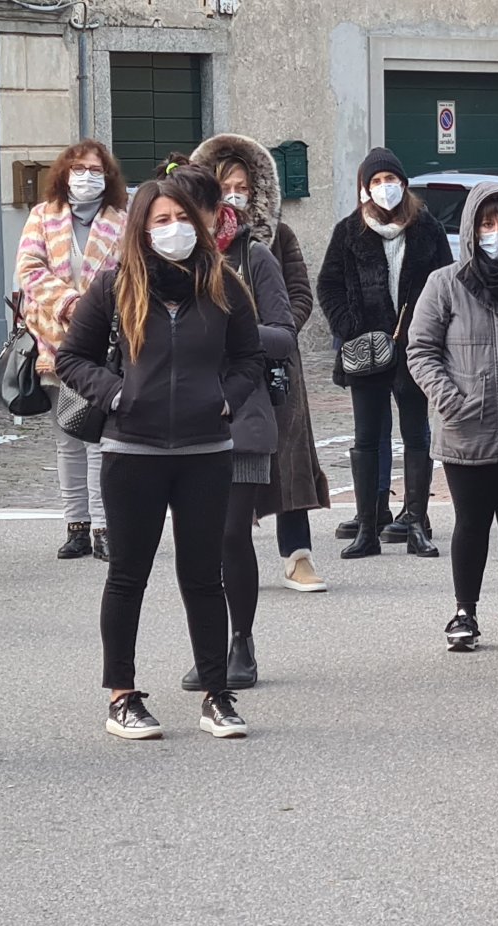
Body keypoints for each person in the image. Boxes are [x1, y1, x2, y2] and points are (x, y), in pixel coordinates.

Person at [53, 177, 267, 741]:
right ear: (142, 230)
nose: (172, 228)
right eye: (159, 219)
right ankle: (122, 696)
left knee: (203, 576)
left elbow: (250, 358)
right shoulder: (114, 285)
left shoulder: (224, 285)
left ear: (196, 225)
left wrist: (225, 399)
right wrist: (116, 393)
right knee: (127, 575)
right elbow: (72, 357)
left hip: (205, 451)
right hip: (132, 451)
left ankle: (216, 695)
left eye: (180, 217)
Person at [405, 181, 498, 652]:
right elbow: (420, 350)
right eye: (487, 224)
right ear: (472, 231)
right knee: (471, 522)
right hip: (466, 428)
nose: (496, 233)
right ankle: (463, 612)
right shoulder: (445, 283)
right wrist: (450, 399)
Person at [157, 159, 290, 691]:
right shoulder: (155, 267)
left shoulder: (252, 258)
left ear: (216, 212)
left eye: (194, 213)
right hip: (181, 422)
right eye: (170, 217)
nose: (183, 227)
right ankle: (208, 648)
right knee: (199, 542)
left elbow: (283, 333)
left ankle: (243, 642)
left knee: (233, 535)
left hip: (244, 415)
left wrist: (232, 330)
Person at [193, 133, 331, 593]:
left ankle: (297, 555)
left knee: (288, 463)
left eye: (243, 186)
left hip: (273, 369)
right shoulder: (197, 245)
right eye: (226, 185)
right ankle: (220, 553)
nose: (235, 194)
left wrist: (271, 332)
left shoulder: (272, 238)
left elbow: (299, 294)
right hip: (214, 372)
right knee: (218, 464)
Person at [317, 147, 452, 558]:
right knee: (366, 437)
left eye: (390, 180)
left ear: (403, 184)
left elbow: (446, 285)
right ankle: (368, 526)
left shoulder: (427, 230)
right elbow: (328, 286)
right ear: (365, 189)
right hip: (366, 352)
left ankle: (415, 521)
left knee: (416, 435)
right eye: (375, 182)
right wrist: (351, 327)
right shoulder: (348, 231)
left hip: (415, 351)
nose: (384, 188)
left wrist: (430, 333)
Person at [15, 140, 129, 563]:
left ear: (108, 176)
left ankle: (104, 527)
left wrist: (99, 310)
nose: (86, 176)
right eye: (79, 168)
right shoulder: (43, 217)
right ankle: (76, 525)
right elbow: (29, 270)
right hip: (55, 343)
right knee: (67, 439)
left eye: (95, 169)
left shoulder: (122, 219)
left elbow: (134, 272)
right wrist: (69, 303)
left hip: (107, 346)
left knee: (100, 439)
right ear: (64, 173)